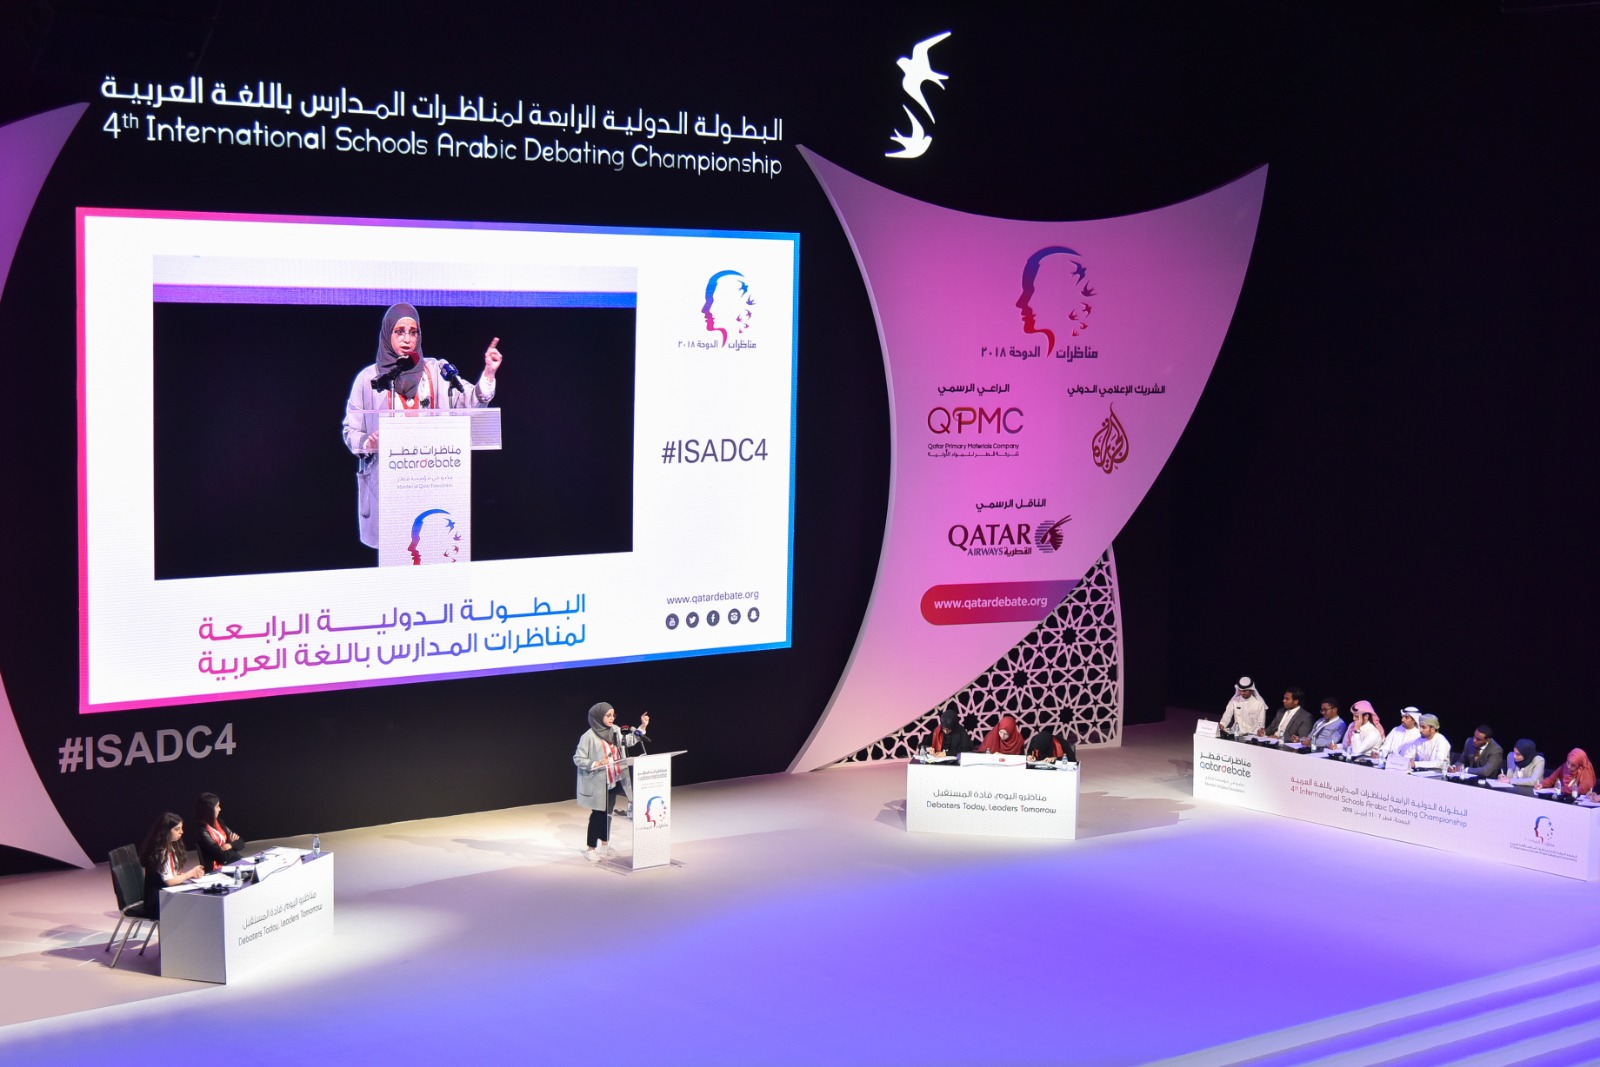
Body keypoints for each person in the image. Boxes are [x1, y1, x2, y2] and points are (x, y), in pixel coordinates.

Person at [342, 303, 503, 549]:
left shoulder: (436, 371)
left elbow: (470, 402)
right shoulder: (369, 379)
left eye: (413, 332)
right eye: (399, 332)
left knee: (428, 550)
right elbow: (350, 430)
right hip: (387, 485)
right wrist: (367, 443)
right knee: (397, 553)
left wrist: (489, 373)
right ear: (387, 334)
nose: (407, 339)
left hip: (430, 480)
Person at [573, 701, 649, 862]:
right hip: (598, 782)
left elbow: (628, 741)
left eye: (613, 715)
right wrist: (596, 763)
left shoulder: (615, 730)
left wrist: (642, 726)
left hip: (614, 779)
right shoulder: (588, 736)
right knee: (598, 815)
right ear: (598, 717)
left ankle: (605, 845)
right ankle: (590, 849)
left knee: (608, 814)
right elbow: (578, 758)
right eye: (608, 715)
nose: (612, 718)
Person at [140, 812, 204, 915]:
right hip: (157, 902)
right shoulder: (161, 852)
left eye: (181, 828)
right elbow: (169, 881)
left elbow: (172, 875)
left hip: (165, 895)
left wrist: (192, 874)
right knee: (194, 907)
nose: (181, 832)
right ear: (166, 831)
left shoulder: (171, 846)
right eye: (177, 829)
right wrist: (190, 874)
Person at [189, 792, 243, 871]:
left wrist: (230, 845)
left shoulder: (219, 822)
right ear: (209, 810)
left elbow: (241, 842)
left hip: (230, 861)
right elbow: (221, 856)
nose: (220, 809)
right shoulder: (202, 830)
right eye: (217, 806)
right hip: (216, 869)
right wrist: (233, 846)